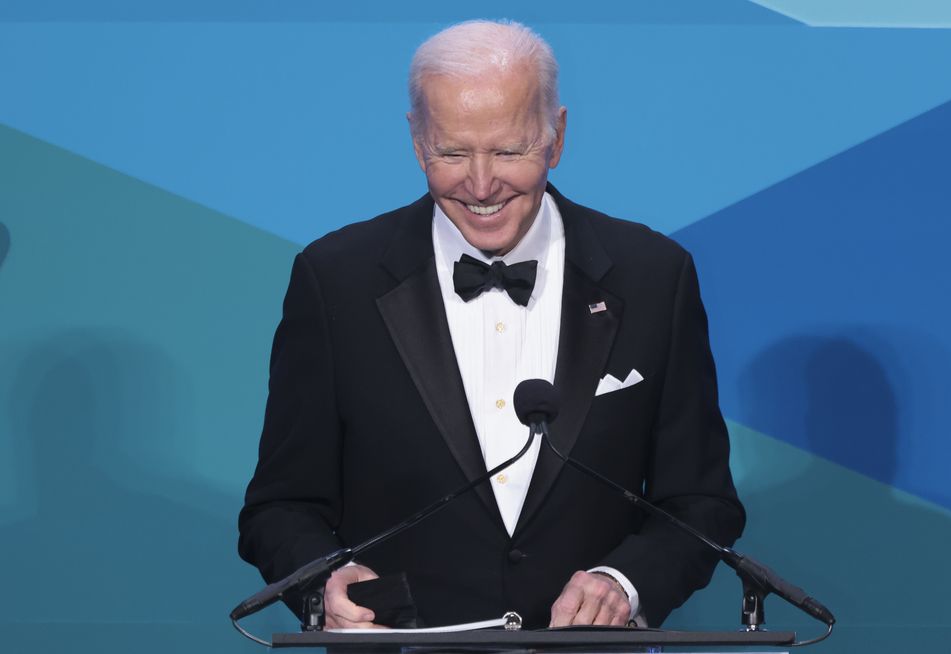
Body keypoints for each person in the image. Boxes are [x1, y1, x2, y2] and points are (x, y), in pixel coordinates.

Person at [238, 19, 744, 630]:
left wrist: (625, 583)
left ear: (556, 137)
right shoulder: (335, 279)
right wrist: (322, 580)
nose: (481, 185)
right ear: (415, 139)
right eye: (451, 152)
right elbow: (281, 506)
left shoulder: (653, 276)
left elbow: (700, 501)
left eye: (509, 151)